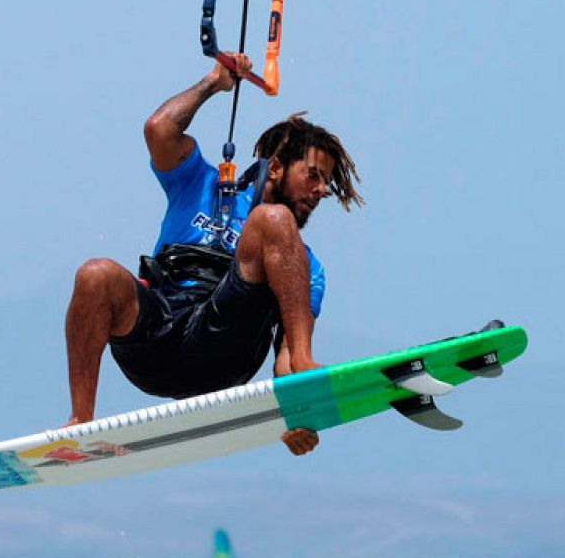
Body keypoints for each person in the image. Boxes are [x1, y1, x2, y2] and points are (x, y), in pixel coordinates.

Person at [63, 51, 364, 457]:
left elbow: (285, 356)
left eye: (326, 183)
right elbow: (159, 130)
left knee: (271, 220)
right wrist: (214, 82)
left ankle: (311, 376)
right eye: (313, 175)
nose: (322, 190)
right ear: (275, 168)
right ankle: (81, 421)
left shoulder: (302, 264)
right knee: (95, 274)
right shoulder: (200, 184)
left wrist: (300, 414)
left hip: (223, 350)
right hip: (156, 340)